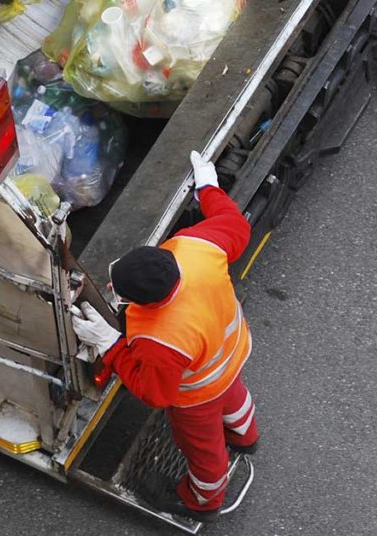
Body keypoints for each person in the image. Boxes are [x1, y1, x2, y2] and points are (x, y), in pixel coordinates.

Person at [71, 151, 259, 521]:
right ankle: (245, 434)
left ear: (147, 303)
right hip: (229, 352)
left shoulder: (161, 337)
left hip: (198, 393)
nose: (112, 286)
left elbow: (155, 392)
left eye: (120, 290)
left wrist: (109, 344)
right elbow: (234, 223)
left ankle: (202, 500)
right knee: (234, 395)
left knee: (203, 448)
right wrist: (208, 187)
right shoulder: (195, 248)